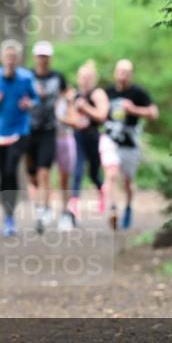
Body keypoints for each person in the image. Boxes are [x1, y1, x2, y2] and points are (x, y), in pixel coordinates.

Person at [0, 39, 38, 237]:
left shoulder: (26, 77)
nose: (10, 60)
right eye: (7, 56)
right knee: (4, 174)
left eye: (13, 57)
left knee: (11, 169)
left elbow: (35, 98)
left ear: (18, 59)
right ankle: (7, 215)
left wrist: (29, 102)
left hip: (20, 131)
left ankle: (10, 216)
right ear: (2, 58)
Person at [100, 59, 159, 230]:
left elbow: (154, 113)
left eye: (126, 72)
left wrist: (134, 109)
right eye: (120, 71)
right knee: (111, 174)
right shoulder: (107, 92)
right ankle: (112, 208)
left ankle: (127, 207)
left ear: (131, 74)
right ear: (115, 73)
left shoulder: (138, 92)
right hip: (110, 139)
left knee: (127, 182)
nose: (123, 75)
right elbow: (98, 111)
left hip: (130, 142)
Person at [25, 40, 67, 233]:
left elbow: (68, 95)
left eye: (46, 56)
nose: (43, 60)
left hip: (49, 130)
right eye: (40, 56)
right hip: (28, 130)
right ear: (35, 57)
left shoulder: (58, 77)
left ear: (50, 58)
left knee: (44, 172)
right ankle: (43, 205)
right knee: (31, 175)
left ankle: (43, 209)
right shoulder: (26, 76)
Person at [69, 60, 109, 222]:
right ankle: (74, 203)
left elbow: (102, 115)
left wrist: (85, 108)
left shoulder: (98, 93)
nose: (84, 80)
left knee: (93, 173)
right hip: (78, 135)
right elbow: (71, 116)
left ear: (93, 79)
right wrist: (75, 120)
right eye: (81, 77)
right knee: (77, 169)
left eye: (87, 77)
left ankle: (102, 190)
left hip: (94, 137)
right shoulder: (76, 95)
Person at [54, 80, 79, 232]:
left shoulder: (68, 101)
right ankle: (45, 210)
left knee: (64, 179)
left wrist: (58, 118)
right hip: (49, 139)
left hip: (65, 139)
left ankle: (65, 212)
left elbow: (74, 120)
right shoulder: (48, 100)